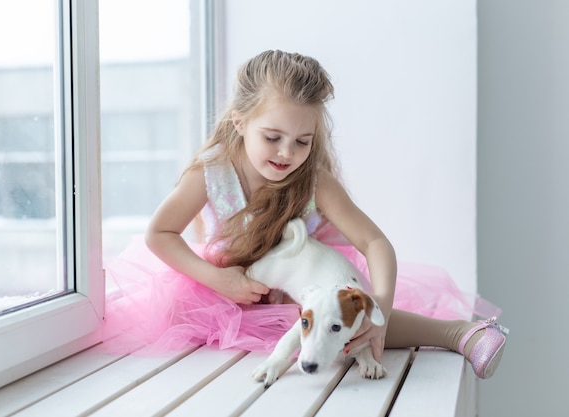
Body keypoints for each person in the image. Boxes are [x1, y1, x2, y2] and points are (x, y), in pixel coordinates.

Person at [104, 50, 508, 379]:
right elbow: (160, 233)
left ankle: (459, 333)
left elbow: (374, 243)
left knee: (336, 316)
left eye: (302, 141)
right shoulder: (210, 172)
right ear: (240, 122)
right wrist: (217, 279)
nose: (286, 153)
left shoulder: (314, 181)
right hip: (229, 294)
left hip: (304, 293)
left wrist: (378, 311)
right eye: (273, 138)